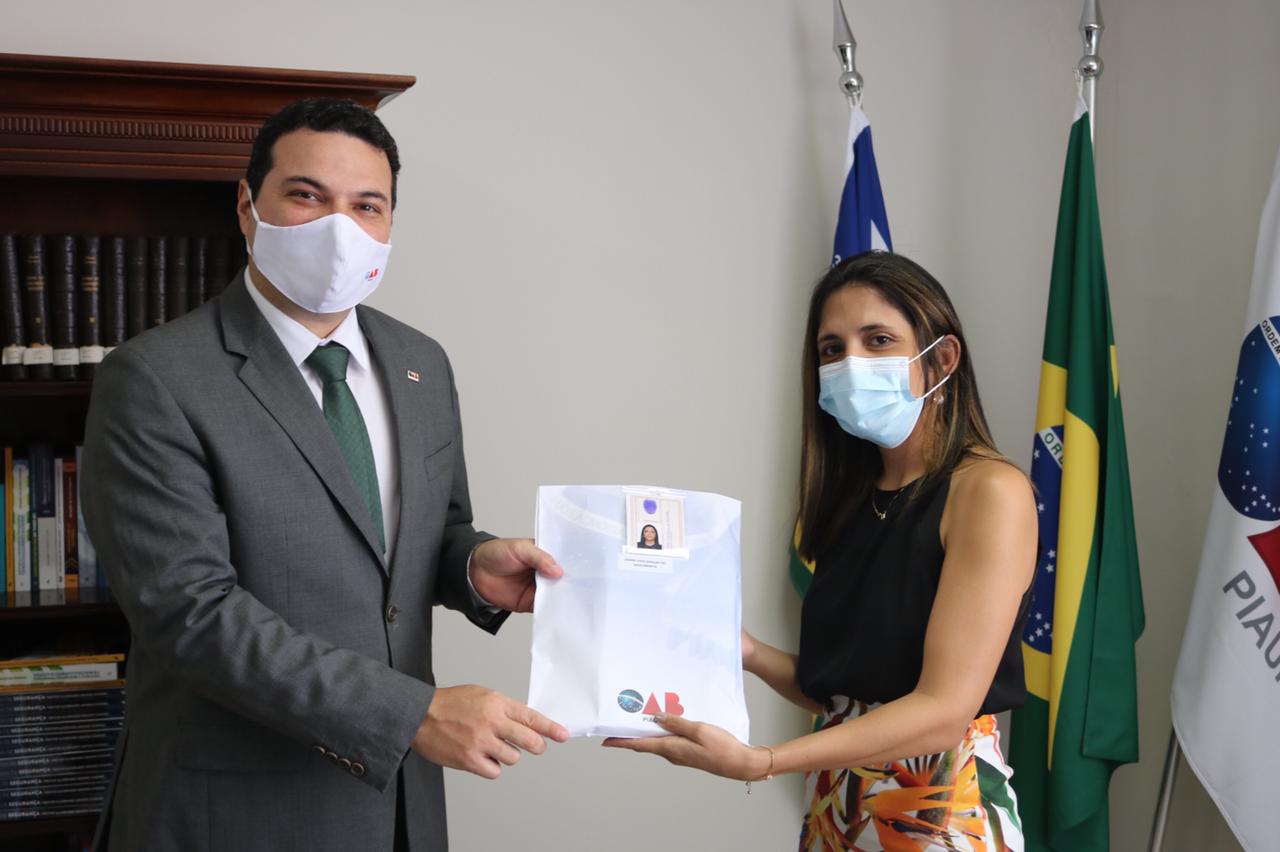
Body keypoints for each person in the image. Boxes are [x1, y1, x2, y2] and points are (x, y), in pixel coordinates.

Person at [80, 97, 568, 852]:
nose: (340, 228)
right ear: (247, 206)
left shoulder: (421, 363)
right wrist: (411, 714)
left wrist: (473, 566)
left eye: (367, 206)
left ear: (390, 224)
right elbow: (190, 614)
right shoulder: (155, 378)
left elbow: (427, 532)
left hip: (398, 806)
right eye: (307, 196)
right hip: (234, 811)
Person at [605, 251, 1037, 851]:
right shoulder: (853, 499)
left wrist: (764, 760)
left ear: (941, 360)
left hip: (936, 810)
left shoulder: (990, 491)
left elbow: (942, 710)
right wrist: (747, 652)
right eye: (832, 349)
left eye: (878, 340)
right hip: (837, 808)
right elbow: (846, 696)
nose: (850, 364)